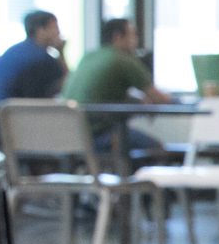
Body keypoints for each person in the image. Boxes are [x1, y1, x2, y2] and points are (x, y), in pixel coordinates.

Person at [62, 16, 171, 169]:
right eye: (133, 34)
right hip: (100, 136)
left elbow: (100, 94)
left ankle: (127, 187)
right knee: (157, 150)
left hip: (72, 137)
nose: (136, 40)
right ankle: (140, 189)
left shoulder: (89, 56)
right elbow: (158, 98)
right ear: (117, 37)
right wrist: (169, 98)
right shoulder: (122, 59)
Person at [0, 10, 66, 147]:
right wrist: (62, 52)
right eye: (54, 27)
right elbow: (66, 85)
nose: (59, 33)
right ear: (41, 30)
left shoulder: (13, 50)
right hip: (8, 126)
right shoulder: (40, 58)